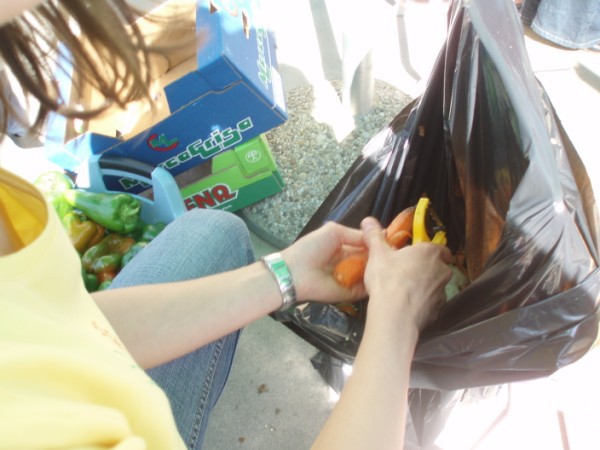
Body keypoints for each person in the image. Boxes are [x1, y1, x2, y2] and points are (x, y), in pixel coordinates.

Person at [0, 1, 452, 449]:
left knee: (213, 233)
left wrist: (285, 275)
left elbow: (64, 326)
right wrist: (397, 319)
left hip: (80, 374)